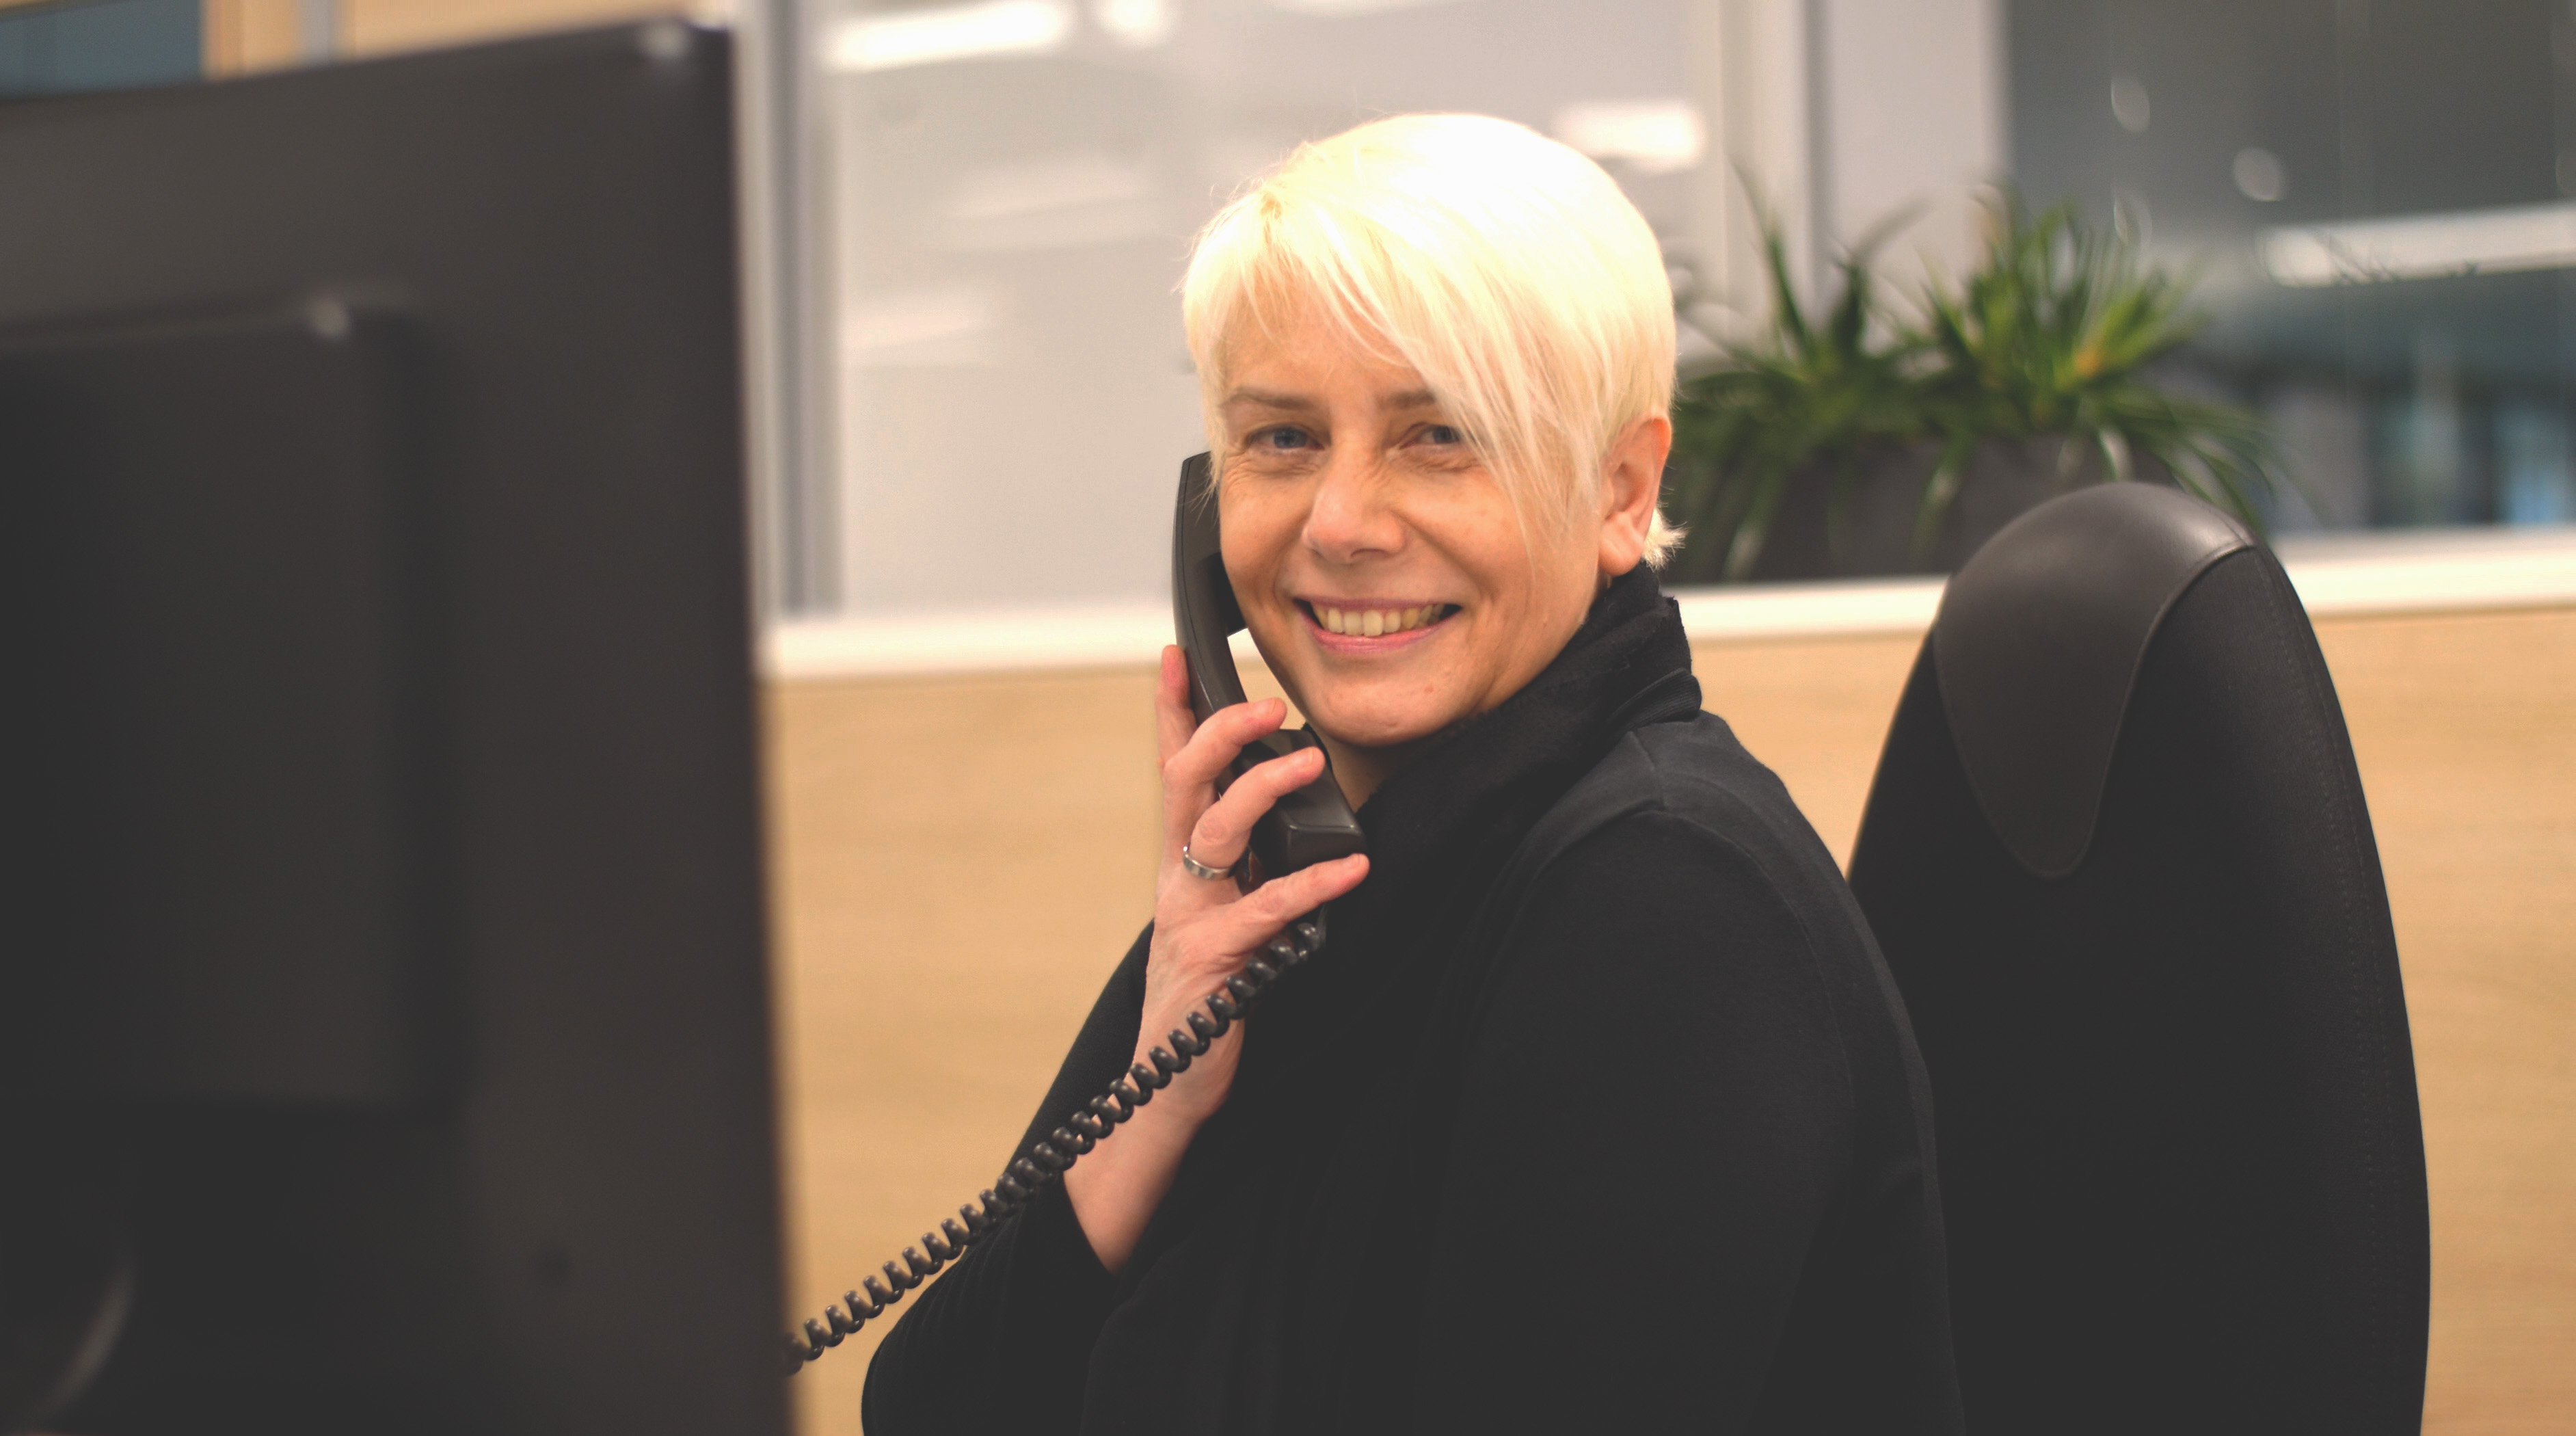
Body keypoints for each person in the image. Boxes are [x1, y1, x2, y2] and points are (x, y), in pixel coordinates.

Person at [863, 114, 1961, 1434]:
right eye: (1283, 439)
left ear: (1621, 492)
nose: (1340, 524)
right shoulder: (1314, 877)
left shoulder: (1666, 902)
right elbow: (923, 1409)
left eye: (1439, 434)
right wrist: (1155, 1099)